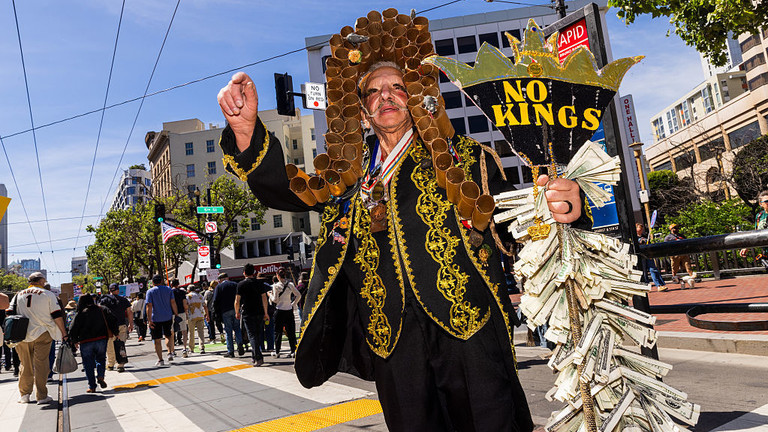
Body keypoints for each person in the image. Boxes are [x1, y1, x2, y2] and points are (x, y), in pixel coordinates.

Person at [217, 33, 582, 432]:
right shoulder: (348, 178)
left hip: (469, 333)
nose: (385, 96)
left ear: (416, 96)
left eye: (396, 87)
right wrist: (247, 134)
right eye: (373, 92)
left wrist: (563, 208)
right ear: (362, 109)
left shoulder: (464, 157)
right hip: (392, 344)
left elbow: (519, 226)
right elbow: (286, 188)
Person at [7, 272, 68, 404]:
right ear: (41, 281)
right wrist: (64, 333)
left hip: (22, 334)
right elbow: (57, 315)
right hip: (43, 332)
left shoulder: (18, 295)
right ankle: (41, 395)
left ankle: (24, 394)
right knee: (41, 364)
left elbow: (9, 312)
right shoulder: (48, 294)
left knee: (25, 364)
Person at [69, 294, 119, 393]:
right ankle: (100, 376)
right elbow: (113, 320)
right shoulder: (102, 309)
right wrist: (116, 332)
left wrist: (74, 341)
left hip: (85, 341)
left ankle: (92, 386)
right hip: (101, 339)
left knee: (88, 364)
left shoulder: (80, 313)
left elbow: (72, 328)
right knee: (101, 358)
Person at [235, 264, 270, 366]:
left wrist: (237, 312)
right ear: (254, 272)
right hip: (259, 311)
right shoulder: (259, 283)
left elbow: (237, 300)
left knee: (252, 335)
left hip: (247, 312)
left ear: (244, 272)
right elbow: (264, 298)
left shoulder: (241, 284)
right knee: (258, 334)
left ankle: (258, 357)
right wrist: (266, 312)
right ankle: (255, 356)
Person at [99, 283, 133, 372]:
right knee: (120, 344)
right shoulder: (124, 300)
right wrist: (131, 324)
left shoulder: (104, 300)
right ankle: (121, 364)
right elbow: (129, 312)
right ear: (118, 290)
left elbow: (101, 312)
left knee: (110, 345)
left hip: (109, 327)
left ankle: (111, 364)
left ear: (110, 290)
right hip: (121, 325)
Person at [145, 275, 178, 366]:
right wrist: (176, 313)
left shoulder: (150, 291)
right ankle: (169, 352)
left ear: (153, 282)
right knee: (168, 335)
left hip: (155, 318)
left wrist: (149, 320)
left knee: (157, 340)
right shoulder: (168, 289)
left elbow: (149, 306)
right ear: (161, 281)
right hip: (167, 316)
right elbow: (173, 302)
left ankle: (160, 360)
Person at [268, 268, 301, 359]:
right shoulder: (290, 284)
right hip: (289, 309)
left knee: (278, 332)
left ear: (277, 276)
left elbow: (275, 299)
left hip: (279, 310)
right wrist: (293, 304)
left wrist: (269, 295)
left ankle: (277, 351)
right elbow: (298, 295)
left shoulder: (276, 286)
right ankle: (293, 350)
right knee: (291, 331)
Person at [213, 273, 244, 357]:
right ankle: (240, 344)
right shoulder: (235, 284)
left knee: (228, 330)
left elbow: (215, 301)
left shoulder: (218, 287)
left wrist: (216, 313)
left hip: (225, 310)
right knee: (237, 328)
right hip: (235, 309)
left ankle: (231, 351)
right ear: (227, 278)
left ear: (220, 280)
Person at [740, 190, 768, 270]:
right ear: (761, 204)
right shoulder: (759, 216)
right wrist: (747, 247)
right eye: (766, 201)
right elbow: (756, 234)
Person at [636, 223, 667, 292]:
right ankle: (646, 287)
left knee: (653, 269)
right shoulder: (634, 237)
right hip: (641, 256)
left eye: (642, 228)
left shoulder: (645, 236)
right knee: (644, 272)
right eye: (639, 228)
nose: (641, 229)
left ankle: (660, 285)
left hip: (647, 255)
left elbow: (649, 245)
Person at [664, 223, 697, 288]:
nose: (676, 229)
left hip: (684, 253)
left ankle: (692, 278)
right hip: (675, 254)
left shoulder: (682, 236)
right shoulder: (668, 237)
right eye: (674, 228)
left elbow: (686, 242)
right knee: (674, 267)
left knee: (688, 265)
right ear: (671, 229)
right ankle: (674, 278)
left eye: (677, 228)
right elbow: (665, 246)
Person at [170, 279, 190, 357]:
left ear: (171, 285)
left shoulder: (169, 292)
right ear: (178, 284)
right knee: (184, 331)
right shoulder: (182, 292)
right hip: (182, 312)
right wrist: (186, 312)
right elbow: (185, 303)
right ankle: (184, 348)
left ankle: (172, 350)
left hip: (171, 313)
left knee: (172, 332)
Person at [186, 285, 207, 354]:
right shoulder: (200, 296)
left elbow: (186, 306)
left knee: (191, 332)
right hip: (200, 315)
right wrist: (207, 314)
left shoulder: (188, 296)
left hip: (191, 316)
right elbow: (204, 305)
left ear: (189, 290)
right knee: (201, 332)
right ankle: (202, 347)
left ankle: (191, 348)